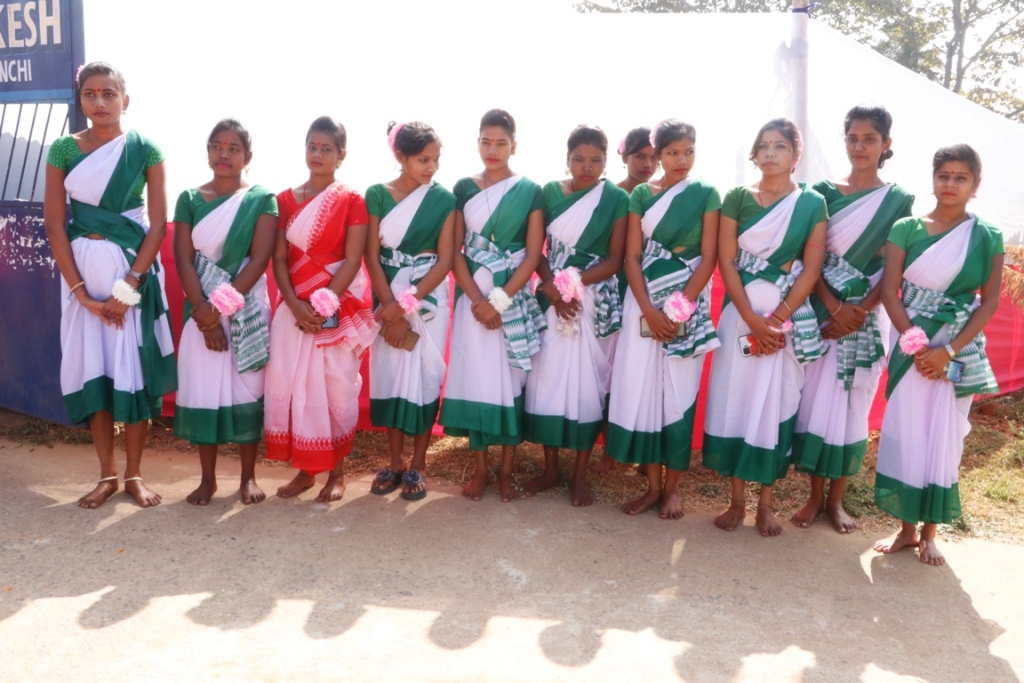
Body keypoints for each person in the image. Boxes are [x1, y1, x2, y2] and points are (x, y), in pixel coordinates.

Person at [43, 61, 176, 509]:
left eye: (108, 94)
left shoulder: (145, 150)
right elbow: (56, 226)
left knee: (132, 375)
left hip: (130, 275)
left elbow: (157, 226)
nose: (99, 103)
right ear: (80, 99)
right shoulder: (63, 149)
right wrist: (81, 294)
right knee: (95, 372)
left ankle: (136, 474)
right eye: (90, 94)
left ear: (125, 99)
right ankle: (107, 476)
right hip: (81, 275)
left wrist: (126, 290)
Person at [873, 144, 1002, 566]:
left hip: (956, 351)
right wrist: (915, 345)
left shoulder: (987, 236)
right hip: (911, 347)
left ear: (975, 185)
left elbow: (988, 304)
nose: (950, 184)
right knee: (907, 431)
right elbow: (890, 292)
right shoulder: (906, 228)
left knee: (944, 438)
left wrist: (946, 351)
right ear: (933, 179)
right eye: (944, 175)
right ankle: (906, 529)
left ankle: (931, 534)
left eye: (961, 177)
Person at [791, 105, 914, 533]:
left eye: (870, 139)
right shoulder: (819, 193)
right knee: (814, 401)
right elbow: (810, 256)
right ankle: (812, 498)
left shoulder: (899, 201)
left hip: (867, 314)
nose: (860, 146)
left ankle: (838, 501)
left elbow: (893, 270)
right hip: (820, 311)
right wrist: (833, 305)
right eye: (853, 138)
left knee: (850, 406)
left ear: (886, 145)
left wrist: (859, 311)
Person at [703, 118, 828, 537]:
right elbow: (727, 262)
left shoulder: (811, 205)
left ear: (796, 155)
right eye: (763, 146)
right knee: (736, 400)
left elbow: (811, 270)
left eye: (780, 146)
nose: (770, 152)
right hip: (740, 320)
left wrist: (775, 321)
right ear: (754, 155)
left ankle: (767, 506)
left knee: (775, 404)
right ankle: (736, 502)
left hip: (783, 326)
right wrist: (753, 320)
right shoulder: (737, 198)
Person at [606, 120, 721, 519]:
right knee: (644, 391)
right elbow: (632, 257)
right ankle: (652, 487)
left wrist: (677, 309)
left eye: (688, 151)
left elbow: (709, 258)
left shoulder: (706, 193)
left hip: (686, 306)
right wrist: (650, 312)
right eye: (672, 153)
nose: (681, 160)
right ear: (657, 154)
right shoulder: (640, 194)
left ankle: (673, 490)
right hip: (643, 306)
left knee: (678, 393)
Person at [264, 116, 378, 502]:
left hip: (335, 306)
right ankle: (306, 471)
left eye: (326, 148)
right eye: (312, 146)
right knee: (293, 385)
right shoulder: (284, 200)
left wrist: (324, 301)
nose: (317, 154)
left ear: (341, 155)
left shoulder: (351, 200)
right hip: (293, 309)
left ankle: (338, 473)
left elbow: (352, 258)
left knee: (336, 389)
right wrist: (296, 305)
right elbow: (279, 259)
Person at [438, 108, 546, 502]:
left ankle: (505, 473)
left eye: (501, 142)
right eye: (486, 141)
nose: (493, 149)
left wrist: (498, 301)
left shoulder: (531, 190)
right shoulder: (463, 188)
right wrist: (477, 300)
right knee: (478, 379)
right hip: (472, 300)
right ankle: (481, 471)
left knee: (508, 383)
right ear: (477, 142)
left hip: (511, 299)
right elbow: (455, 252)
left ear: (514, 145)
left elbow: (533, 254)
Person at [522, 124, 628, 507]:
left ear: (606, 161)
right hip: (552, 298)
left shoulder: (615, 198)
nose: (587, 167)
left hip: (591, 298)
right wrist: (552, 286)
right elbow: (537, 249)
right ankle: (550, 469)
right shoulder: (548, 193)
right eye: (579, 159)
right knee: (547, 380)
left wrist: (573, 283)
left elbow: (615, 260)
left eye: (596, 160)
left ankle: (580, 477)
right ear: (566, 159)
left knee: (588, 384)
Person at [173, 119, 278, 506]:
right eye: (217, 146)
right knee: (204, 389)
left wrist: (219, 309)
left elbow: (259, 259)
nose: (224, 153)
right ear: (207, 152)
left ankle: (247, 478)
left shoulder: (261, 199)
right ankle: (208, 480)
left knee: (247, 389)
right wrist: (203, 313)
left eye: (233, 148)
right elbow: (183, 259)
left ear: (247, 157)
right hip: (200, 314)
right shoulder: (189, 198)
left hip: (245, 309)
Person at [364, 121, 455, 501]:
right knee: (389, 376)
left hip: (428, 299)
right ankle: (396, 461)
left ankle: (419, 462)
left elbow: (446, 258)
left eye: (435, 159)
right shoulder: (377, 195)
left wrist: (407, 303)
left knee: (424, 377)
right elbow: (371, 254)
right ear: (400, 157)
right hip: (386, 299)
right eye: (422, 160)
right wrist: (391, 308)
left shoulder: (444, 200)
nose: (431, 168)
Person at [591, 125, 660, 477]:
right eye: (639, 157)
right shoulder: (610, 196)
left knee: (643, 374)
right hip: (609, 290)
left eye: (652, 157)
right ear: (624, 157)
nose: (647, 164)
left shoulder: (662, 197)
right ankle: (610, 450)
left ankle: (645, 453)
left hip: (650, 294)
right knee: (609, 371)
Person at [616, 127, 659, 194]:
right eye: (640, 156)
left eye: (653, 158)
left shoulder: (663, 195)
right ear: (625, 157)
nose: (648, 165)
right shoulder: (611, 196)